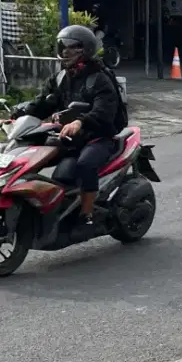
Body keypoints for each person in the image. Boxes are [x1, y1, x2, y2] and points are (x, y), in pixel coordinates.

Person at [19, 25, 121, 226]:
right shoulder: (60, 77)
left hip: (98, 137)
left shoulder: (100, 78)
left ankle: (87, 213)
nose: (65, 51)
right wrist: (16, 115)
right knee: (37, 160)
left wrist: (80, 121)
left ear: (86, 49)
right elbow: (41, 104)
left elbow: (104, 112)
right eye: (62, 46)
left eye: (72, 47)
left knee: (85, 164)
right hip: (69, 138)